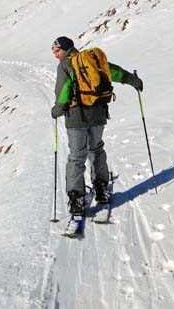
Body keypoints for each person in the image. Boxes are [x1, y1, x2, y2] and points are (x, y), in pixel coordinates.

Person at [50, 36, 143, 216]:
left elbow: (64, 89)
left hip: (77, 116)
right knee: (97, 150)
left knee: (77, 156)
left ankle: (77, 200)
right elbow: (112, 72)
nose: (56, 54)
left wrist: (57, 110)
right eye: (54, 51)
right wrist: (133, 80)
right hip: (98, 114)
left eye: (57, 50)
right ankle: (102, 189)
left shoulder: (65, 65)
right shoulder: (91, 60)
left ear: (66, 48)